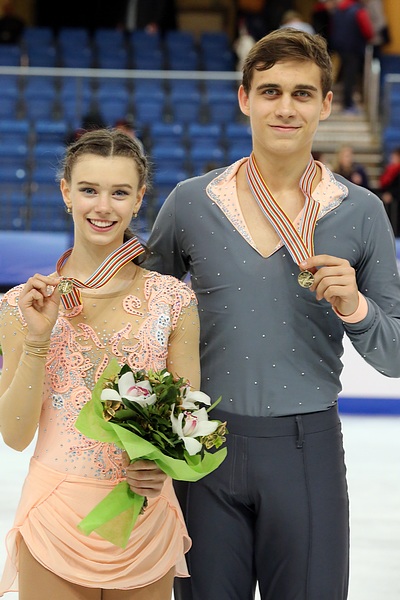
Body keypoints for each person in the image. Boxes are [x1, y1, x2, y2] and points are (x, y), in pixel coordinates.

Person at [145, 27, 400, 600]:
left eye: (303, 93)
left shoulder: (360, 212)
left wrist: (356, 306)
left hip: (305, 452)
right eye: (271, 91)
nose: (286, 107)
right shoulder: (190, 202)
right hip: (201, 450)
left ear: (327, 105)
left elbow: (395, 355)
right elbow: (142, 320)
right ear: (245, 98)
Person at [0, 128, 200, 599]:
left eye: (119, 192)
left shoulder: (173, 300)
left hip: (144, 517)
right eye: (89, 190)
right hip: (56, 517)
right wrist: (37, 339)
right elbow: (14, 435)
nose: (102, 206)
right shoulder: (21, 306)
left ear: (139, 199)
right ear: (66, 192)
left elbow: (188, 421)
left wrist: (165, 464)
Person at [330, 0, 374, 114]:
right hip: (355, 48)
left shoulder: (337, 10)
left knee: (345, 74)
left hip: (341, 47)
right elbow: (367, 30)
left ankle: (345, 102)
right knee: (351, 77)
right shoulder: (359, 10)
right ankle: (348, 104)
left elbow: (333, 29)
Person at [379, 146, 400, 236]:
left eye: (394, 157)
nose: (392, 159)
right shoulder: (389, 170)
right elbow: (383, 184)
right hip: (389, 202)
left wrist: (392, 194)